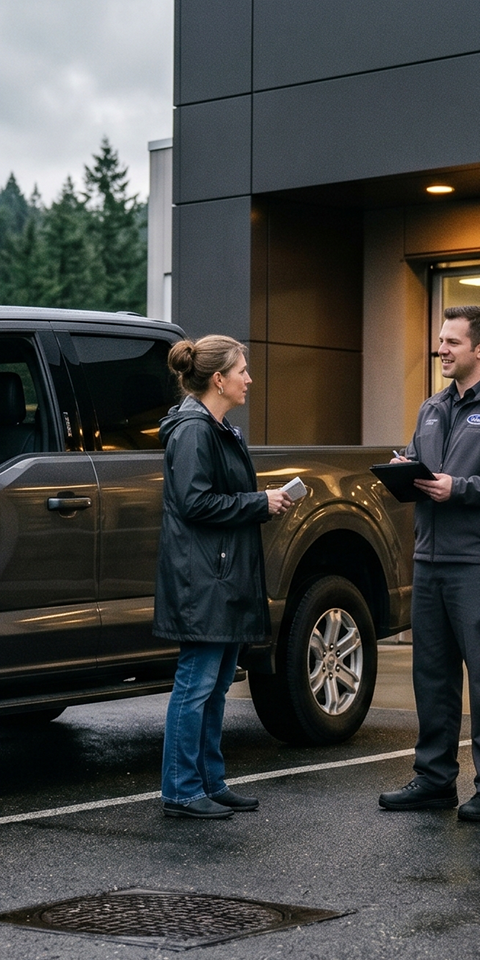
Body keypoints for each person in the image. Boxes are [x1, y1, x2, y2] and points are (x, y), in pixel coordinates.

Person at [379, 305, 480, 823]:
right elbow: (418, 459)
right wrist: (404, 469)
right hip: (430, 560)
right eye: (441, 341)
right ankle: (434, 780)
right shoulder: (432, 407)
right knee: (432, 676)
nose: (441, 350)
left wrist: (460, 488)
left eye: (451, 342)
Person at [152, 335, 292, 819]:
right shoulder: (194, 430)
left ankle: (209, 782)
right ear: (219, 379)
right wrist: (260, 503)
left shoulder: (217, 427)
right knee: (196, 685)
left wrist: (259, 502)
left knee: (211, 687)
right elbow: (195, 502)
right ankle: (181, 791)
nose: (249, 379)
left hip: (221, 575)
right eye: (242, 371)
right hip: (205, 579)